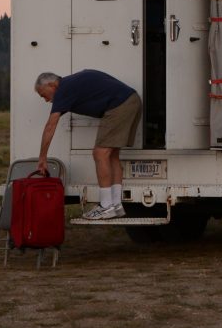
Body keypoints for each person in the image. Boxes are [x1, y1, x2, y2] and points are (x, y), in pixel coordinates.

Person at [34, 70, 142, 220]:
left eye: (43, 94)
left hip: (120, 105)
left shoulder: (63, 90)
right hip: (132, 100)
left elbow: (50, 126)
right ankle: (116, 206)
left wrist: (42, 158)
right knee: (112, 155)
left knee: (100, 153)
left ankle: (106, 206)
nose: (45, 100)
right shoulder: (70, 86)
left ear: (52, 85)